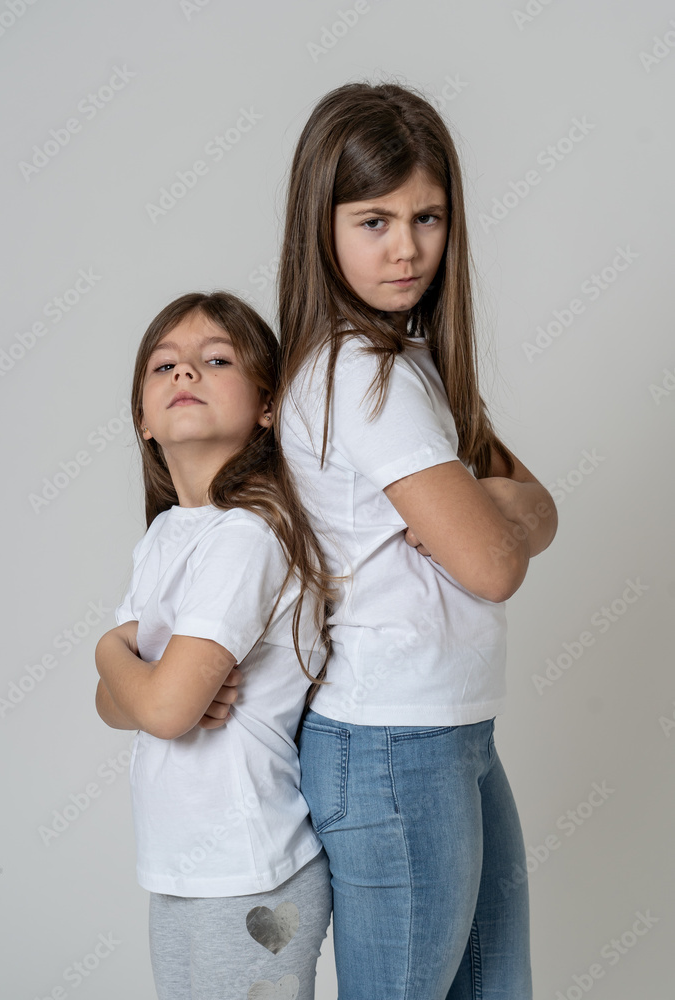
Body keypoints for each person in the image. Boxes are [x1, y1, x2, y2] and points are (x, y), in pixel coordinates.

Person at [277, 81, 559, 999]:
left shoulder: (414, 363)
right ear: (321, 225)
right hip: (394, 739)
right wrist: (488, 519)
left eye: (427, 215)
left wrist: (489, 514)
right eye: (373, 219)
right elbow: (494, 560)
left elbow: (538, 507)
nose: (407, 247)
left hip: (452, 730)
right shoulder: (366, 374)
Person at [94, 291, 333, 1000]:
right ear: (142, 418)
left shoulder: (246, 534)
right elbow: (116, 708)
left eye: (216, 360)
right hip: (184, 866)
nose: (185, 374)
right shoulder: (170, 534)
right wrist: (142, 681)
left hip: (250, 866)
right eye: (164, 365)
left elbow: (159, 709)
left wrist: (111, 649)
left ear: (266, 404)